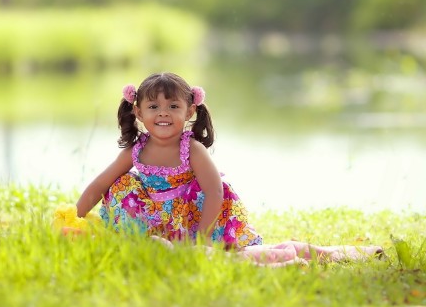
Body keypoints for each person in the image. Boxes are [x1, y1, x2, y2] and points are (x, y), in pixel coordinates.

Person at [76, 72, 383, 264]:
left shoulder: (191, 148)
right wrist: (77, 214)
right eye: (154, 107)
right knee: (121, 183)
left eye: (173, 107)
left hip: (199, 217)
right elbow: (100, 183)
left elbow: (213, 191)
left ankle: (320, 253)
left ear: (190, 111)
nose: (163, 114)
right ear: (139, 112)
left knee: (229, 254)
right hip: (160, 221)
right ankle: (153, 242)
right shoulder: (137, 149)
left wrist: (203, 235)